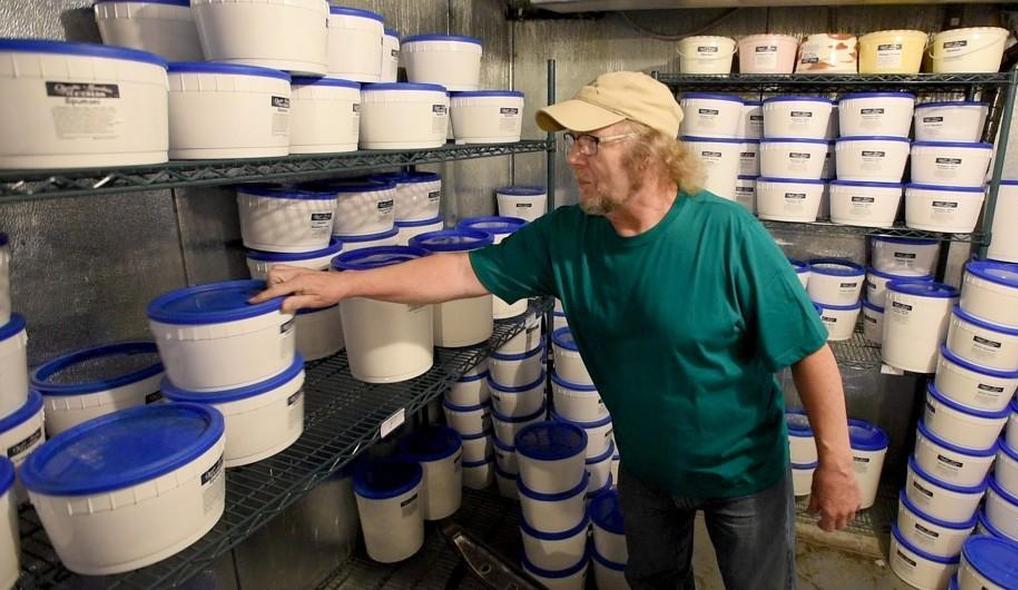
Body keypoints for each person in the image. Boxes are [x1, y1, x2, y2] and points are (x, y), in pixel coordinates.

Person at [252, 71, 861, 590]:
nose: (573, 157)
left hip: (742, 475)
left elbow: (809, 352)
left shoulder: (728, 235)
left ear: (649, 149)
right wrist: (343, 284)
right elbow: (459, 271)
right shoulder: (567, 236)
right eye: (573, 141)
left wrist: (835, 465)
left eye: (591, 141)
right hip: (647, 471)